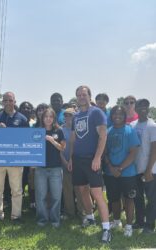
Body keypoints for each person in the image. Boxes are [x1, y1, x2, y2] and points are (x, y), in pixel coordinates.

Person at [68, 85, 111, 243]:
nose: (81, 97)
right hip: (78, 159)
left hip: (92, 159)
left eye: (83, 94)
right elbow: (73, 139)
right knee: (82, 190)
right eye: (78, 95)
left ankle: (106, 228)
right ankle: (91, 217)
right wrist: (71, 158)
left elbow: (103, 136)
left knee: (97, 194)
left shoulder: (97, 112)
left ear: (89, 96)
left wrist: (97, 157)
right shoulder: (76, 116)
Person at [0, 91, 29, 222]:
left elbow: (27, 140)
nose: (8, 103)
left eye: (10, 100)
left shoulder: (23, 119)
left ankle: (16, 215)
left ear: (15, 101)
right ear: (2, 102)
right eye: (5, 100)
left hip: (15, 159)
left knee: (17, 189)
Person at [104, 105, 139, 237]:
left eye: (120, 114)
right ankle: (117, 221)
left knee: (129, 199)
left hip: (128, 173)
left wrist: (119, 168)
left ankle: (129, 226)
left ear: (124, 116)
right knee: (114, 199)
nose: (117, 116)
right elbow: (104, 152)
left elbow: (133, 152)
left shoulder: (130, 131)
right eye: (114, 114)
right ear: (111, 116)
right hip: (110, 173)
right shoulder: (108, 131)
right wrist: (111, 167)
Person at [35, 108, 65, 227]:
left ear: (54, 118)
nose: (48, 119)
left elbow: (62, 148)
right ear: (42, 118)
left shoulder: (59, 130)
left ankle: (55, 220)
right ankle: (42, 219)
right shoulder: (38, 130)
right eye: (46, 116)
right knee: (40, 196)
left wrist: (52, 140)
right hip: (40, 169)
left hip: (56, 168)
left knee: (56, 196)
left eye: (50, 116)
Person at [131, 99, 156, 233]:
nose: (142, 108)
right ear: (136, 108)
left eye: (145, 106)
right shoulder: (133, 125)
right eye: (140, 106)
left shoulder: (152, 126)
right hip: (135, 169)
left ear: (148, 107)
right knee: (138, 197)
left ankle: (149, 224)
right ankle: (140, 221)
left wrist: (148, 170)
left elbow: (154, 150)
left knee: (152, 198)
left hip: (150, 170)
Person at [60, 107, 83, 218]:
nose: (68, 117)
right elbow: (58, 149)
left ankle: (81, 212)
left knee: (79, 189)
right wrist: (65, 162)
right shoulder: (60, 130)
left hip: (77, 163)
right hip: (64, 163)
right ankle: (70, 213)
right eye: (66, 115)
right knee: (67, 189)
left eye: (71, 115)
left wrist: (72, 161)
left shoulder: (79, 129)